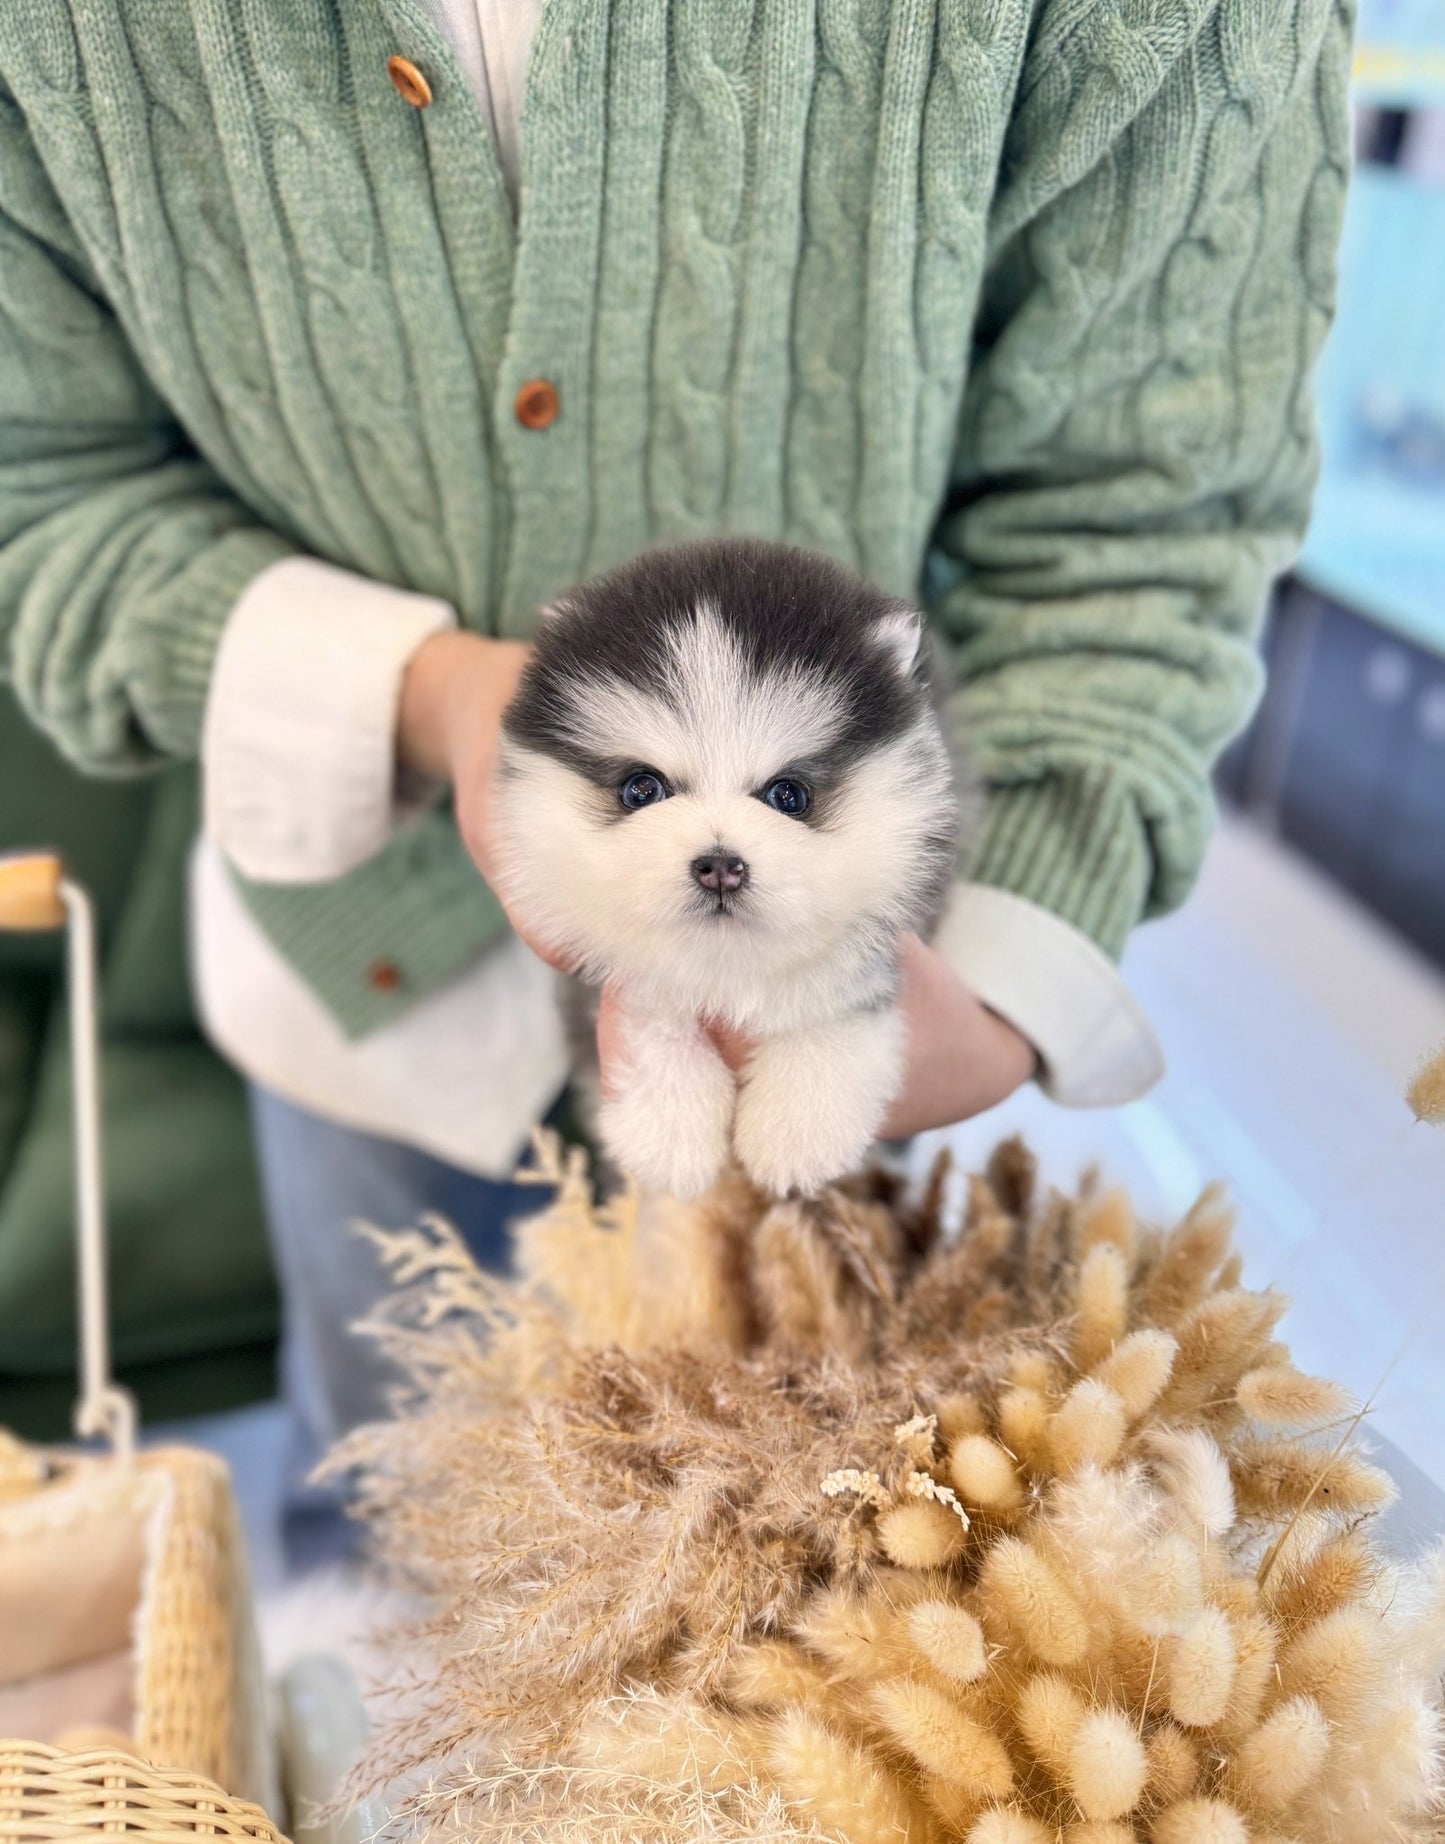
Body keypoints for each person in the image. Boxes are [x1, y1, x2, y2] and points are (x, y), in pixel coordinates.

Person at [0, 1, 1350, 1556]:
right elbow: (43, 491)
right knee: (375, 1554)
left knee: (783, 1613)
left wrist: (1001, 970)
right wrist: (427, 696)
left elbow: (1142, 501)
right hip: (355, 985)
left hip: (844, 996)